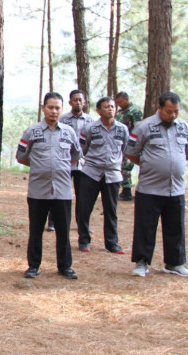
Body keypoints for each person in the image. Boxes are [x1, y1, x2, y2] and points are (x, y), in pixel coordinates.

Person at [125, 91, 188, 277]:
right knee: (145, 227)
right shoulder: (144, 127)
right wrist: (151, 164)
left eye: (176, 111)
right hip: (150, 188)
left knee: (175, 227)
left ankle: (174, 264)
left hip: (176, 188)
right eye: (169, 111)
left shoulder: (184, 127)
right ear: (159, 108)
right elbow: (131, 152)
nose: (173, 115)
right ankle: (141, 263)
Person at [16, 92, 81, 279]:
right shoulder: (32, 132)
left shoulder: (69, 132)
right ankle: (33, 266)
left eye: (57, 108)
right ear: (43, 108)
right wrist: (41, 166)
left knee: (63, 231)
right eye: (50, 107)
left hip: (62, 190)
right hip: (38, 190)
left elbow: (75, 155)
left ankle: (65, 266)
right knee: (36, 230)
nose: (54, 111)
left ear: (62, 109)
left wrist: (58, 167)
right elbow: (21, 157)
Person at [76, 97, 127, 254]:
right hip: (91, 173)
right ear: (99, 110)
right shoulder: (89, 128)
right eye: (106, 107)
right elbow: (82, 149)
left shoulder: (122, 129)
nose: (111, 109)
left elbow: (124, 149)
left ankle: (112, 243)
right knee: (84, 208)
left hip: (112, 175)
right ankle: (84, 240)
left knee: (111, 210)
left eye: (112, 106)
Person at [51, 89, 93, 231]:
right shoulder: (63, 119)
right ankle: (52, 222)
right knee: (59, 191)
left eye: (80, 100)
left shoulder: (90, 120)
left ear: (84, 102)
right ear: (70, 102)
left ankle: (82, 224)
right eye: (75, 100)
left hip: (82, 163)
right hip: (65, 161)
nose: (78, 102)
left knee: (83, 196)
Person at [115, 91, 143, 201]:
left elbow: (138, 129)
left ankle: (127, 191)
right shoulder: (120, 112)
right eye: (118, 102)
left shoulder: (134, 112)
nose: (120, 104)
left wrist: (135, 143)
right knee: (121, 166)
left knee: (126, 166)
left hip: (130, 143)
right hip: (120, 143)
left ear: (127, 99)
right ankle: (124, 189)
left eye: (121, 102)